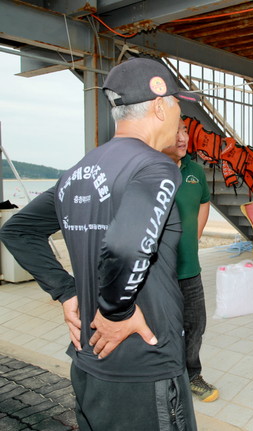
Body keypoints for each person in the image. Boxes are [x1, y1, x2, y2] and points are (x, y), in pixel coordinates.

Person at [0, 57, 200, 430]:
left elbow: (18, 231)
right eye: (176, 105)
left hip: (89, 361)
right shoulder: (156, 167)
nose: (178, 116)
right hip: (144, 367)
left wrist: (66, 292)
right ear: (159, 106)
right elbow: (126, 248)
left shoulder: (78, 171)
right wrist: (115, 313)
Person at [162, 119, 218, 402]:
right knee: (163, 328)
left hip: (190, 268)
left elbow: (204, 201)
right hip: (158, 273)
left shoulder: (195, 171)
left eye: (184, 130)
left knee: (196, 324)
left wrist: (195, 235)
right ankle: (164, 381)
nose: (182, 137)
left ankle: (192, 375)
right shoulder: (151, 170)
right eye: (176, 132)